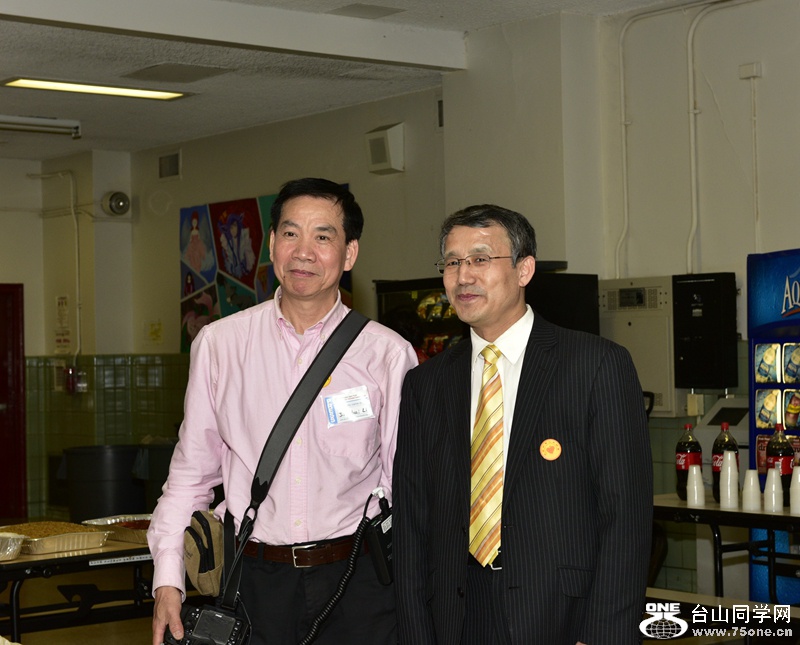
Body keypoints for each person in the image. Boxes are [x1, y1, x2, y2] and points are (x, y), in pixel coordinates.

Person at [148, 177, 418, 645]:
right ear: (272, 244)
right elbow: (190, 476)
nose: (303, 252)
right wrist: (168, 581)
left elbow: (407, 487)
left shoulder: (387, 355)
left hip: (358, 583)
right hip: (252, 582)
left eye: (323, 236)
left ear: (349, 254)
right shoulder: (221, 345)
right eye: (291, 233)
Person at [393, 204, 652, 645]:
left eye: (480, 259)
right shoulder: (427, 384)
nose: (463, 276)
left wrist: (604, 634)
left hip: (560, 615)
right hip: (456, 616)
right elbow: (412, 526)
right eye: (452, 263)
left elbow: (625, 518)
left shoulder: (594, 365)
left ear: (524, 269)